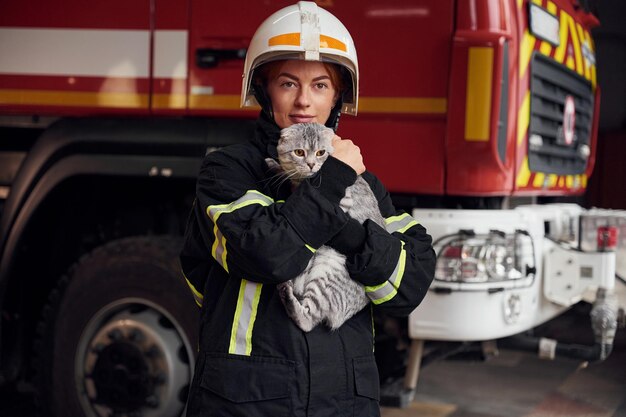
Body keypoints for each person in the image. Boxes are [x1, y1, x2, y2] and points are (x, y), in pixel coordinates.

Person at [180, 2, 435, 416]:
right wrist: (334, 180)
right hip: (246, 401)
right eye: (287, 83)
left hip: (344, 400)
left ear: (337, 97)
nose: (303, 100)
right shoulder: (228, 170)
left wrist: (353, 233)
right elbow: (268, 253)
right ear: (263, 89)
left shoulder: (366, 184)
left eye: (319, 85)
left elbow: (409, 285)